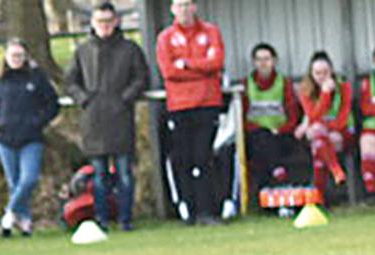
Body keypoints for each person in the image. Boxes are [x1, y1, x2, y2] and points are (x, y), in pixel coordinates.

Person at [66, 4, 150, 232]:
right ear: (93, 23)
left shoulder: (130, 49)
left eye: (108, 21)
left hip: (121, 118)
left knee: (124, 173)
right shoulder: (83, 51)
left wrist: (125, 99)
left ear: (116, 22)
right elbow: (71, 82)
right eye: (100, 21)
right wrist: (84, 99)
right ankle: (101, 219)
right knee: (99, 175)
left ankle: (126, 219)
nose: (104, 26)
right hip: (93, 121)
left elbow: (142, 78)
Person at [156, 0, 226, 225]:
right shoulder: (165, 38)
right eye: (180, 5)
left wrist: (185, 64)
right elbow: (168, 72)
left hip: (208, 103)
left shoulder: (211, 32)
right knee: (183, 159)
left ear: (195, 7)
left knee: (204, 157)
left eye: (187, 4)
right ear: (172, 9)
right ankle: (188, 211)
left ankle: (208, 211)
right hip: (179, 106)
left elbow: (216, 63)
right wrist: (201, 68)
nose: (184, 10)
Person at [0, 38, 61, 237]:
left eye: (19, 55)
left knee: (29, 179)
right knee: (15, 183)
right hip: (6, 140)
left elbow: (53, 104)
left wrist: (38, 121)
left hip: (31, 138)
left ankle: (9, 215)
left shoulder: (36, 78)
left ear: (26, 57)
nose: (16, 59)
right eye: (12, 55)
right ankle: (25, 220)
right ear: (6, 57)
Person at [241, 43, 304, 193]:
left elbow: (293, 115)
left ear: (274, 61)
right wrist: (259, 129)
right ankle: (277, 177)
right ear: (254, 62)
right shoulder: (246, 85)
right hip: (255, 136)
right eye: (259, 59)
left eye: (267, 59)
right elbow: (242, 117)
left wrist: (280, 130)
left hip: (281, 134)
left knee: (265, 147)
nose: (263, 63)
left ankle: (266, 191)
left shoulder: (284, 83)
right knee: (261, 141)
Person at [295, 51, 355, 202]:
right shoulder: (305, 89)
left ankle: (318, 196)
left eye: (325, 72)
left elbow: (343, 117)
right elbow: (313, 115)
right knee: (318, 138)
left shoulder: (344, 87)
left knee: (318, 143)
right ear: (311, 73)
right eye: (317, 73)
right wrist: (325, 94)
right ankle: (335, 169)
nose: (322, 77)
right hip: (319, 133)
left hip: (342, 131)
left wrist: (323, 127)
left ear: (331, 71)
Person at [360, 45, 375, 195]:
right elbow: (366, 108)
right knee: (367, 143)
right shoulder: (369, 82)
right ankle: (371, 189)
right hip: (374, 128)